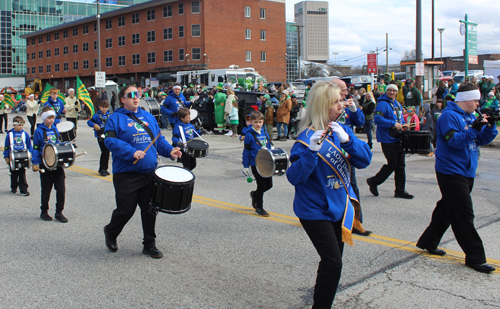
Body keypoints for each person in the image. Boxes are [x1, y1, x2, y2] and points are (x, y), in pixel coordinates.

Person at [286, 80, 372, 308]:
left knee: (332, 262)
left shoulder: (341, 131)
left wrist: (348, 140)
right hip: (314, 210)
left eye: (341, 100)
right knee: (333, 262)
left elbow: (365, 160)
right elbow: (295, 178)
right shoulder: (306, 138)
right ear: (323, 105)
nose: (341, 105)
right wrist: (311, 152)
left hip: (339, 207)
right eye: (335, 102)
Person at [416, 83, 498, 274]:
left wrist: (490, 127)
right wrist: (473, 130)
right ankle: (475, 258)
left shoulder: (471, 116)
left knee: (447, 208)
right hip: (451, 171)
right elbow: (454, 141)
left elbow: (482, 139)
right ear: (465, 99)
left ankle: (428, 241)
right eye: (475, 100)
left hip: (467, 170)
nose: (478, 103)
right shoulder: (449, 116)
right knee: (464, 215)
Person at [103, 86, 182, 259]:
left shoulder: (147, 116)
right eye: (130, 95)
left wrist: (170, 151)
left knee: (150, 210)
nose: (135, 98)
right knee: (126, 210)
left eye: (137, 95)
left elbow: (158, 139)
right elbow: (109, 141)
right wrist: (131, 151)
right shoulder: (114, 118)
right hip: (126, 174)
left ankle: (149, 244)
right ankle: (110, 231)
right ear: (122, 99)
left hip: (149, 173)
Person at [367, 84, 414, 199]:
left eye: (394, 90)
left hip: (398, 137)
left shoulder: (396, 104)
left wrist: (403, 125)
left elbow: (400, 118)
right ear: (386, 91)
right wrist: (392, 124)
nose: (392, 92)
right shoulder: (383, 104)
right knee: (393, 164)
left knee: (401, 165)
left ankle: (400, 190)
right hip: (388, 138)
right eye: (389, 90)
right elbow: (377, 119)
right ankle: (374, 181)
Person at [32, 106, 68, 222]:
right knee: (46, 190)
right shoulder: (39, 131)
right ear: (44, 118)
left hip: (57, 165)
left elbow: (58, 144)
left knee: (61, 189)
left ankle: (59, 212)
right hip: (45, 165)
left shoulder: (55, 129)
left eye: (52, 118)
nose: (51, 120)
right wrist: (35, 162)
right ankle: (44, 211)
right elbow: (36, 148)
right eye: (49, 118)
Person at [242, 111, 273, 217]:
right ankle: (259, 207)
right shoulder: (249, 135)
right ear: (251, 122)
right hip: (256, 164)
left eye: (260, 122)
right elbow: (246, 151)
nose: (258, 124)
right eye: (255, 122)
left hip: (266, 163)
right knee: (261, 185)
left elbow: (269, 147)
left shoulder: (265, 134)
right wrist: (246, 166)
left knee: (269, 185)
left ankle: (254, 194)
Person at [4, 116, 33, 196]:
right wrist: (6, 156)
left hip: (23, 156)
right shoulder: (9, 135)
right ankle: (14, 186)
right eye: (19, 125)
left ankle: (23, 189)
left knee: (22, 173)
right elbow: (6, 146)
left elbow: (29, 145)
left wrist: (30, 154)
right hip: (13, 157)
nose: (20, 127)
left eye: (22, 125)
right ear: (14, 125)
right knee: (13, 173)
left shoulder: (25, 134)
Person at [87, 100, 111, 176]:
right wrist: (94, 125)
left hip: (107, 135)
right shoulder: (97, 116)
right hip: (100, 135)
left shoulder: (109, 115)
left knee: (107, 152)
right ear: (99, 107)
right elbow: (89, 122)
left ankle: (105, 168)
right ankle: (102, 168)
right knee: (104, 151)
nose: (104, 109)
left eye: (106, 107)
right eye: (103, 107)